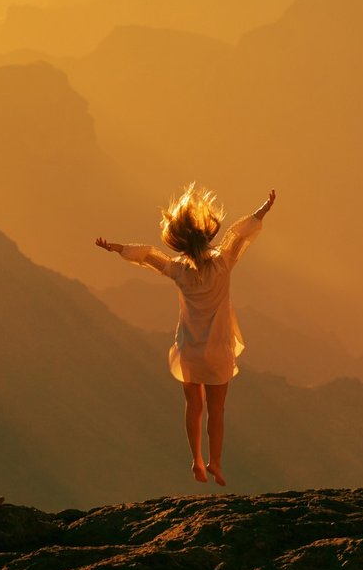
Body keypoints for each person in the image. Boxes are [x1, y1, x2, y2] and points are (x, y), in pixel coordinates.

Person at [94, 185, 275, 487]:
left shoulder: (178, 269)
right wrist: (264, 209)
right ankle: (215, 462)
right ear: (207, 235)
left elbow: (149, 256)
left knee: (194, 406)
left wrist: (116, 247)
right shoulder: (224, 262)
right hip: (218, 350)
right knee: (217, 410)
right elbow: (238, 234)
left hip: (191, 349)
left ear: (179, 240)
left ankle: (196, 461)